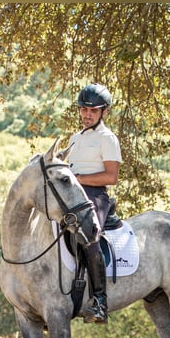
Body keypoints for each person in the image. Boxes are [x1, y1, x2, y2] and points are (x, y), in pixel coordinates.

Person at [65, 83, 122, 324]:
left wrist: (80, 179)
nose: (87, 115)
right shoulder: (74, 138)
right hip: (72, 195)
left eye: (93, 111)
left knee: (90, 236)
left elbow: (112, 177)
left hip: (95, 196)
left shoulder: (107, 139)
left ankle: (100, 301)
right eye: (84, 110)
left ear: (103, 112)